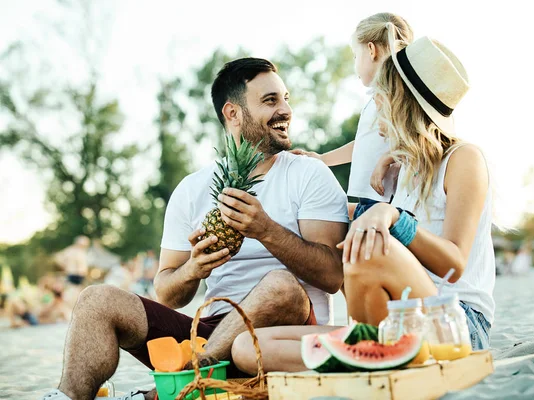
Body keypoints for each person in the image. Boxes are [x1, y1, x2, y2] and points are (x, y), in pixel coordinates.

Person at [41, 57, 348, 400]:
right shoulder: (192, 189)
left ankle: (185, 381)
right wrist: (193, 269)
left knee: (281, 285)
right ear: (232, 113)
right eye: (271, 100)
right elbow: (168, 293)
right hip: (210, 334)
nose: (286, 110)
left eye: (286, 98)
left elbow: (333, 277)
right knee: (95, 300)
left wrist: (266, 231)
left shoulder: (309, 174)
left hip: (283, 334)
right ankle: (67, 397)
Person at [233, 34, 496, 375]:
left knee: (371, 245)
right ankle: (374, 356)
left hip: (455, 323)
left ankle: (370, 354)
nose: (373, 112)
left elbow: (454, 264)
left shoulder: (464, 159)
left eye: (379, 100)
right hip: (393, 323)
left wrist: (392, 215)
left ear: (398, 102)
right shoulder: (403, 169)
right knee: (248, 347)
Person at [291, 13, 413, 218]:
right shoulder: (377, 96)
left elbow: (412, 138)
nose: (355, 64)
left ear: (371, 50)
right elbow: (364, 144)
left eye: (356, 56)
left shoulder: (393, 96)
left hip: (386, 204)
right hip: (372, 200)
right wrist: (321, 159)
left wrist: (385, 160)